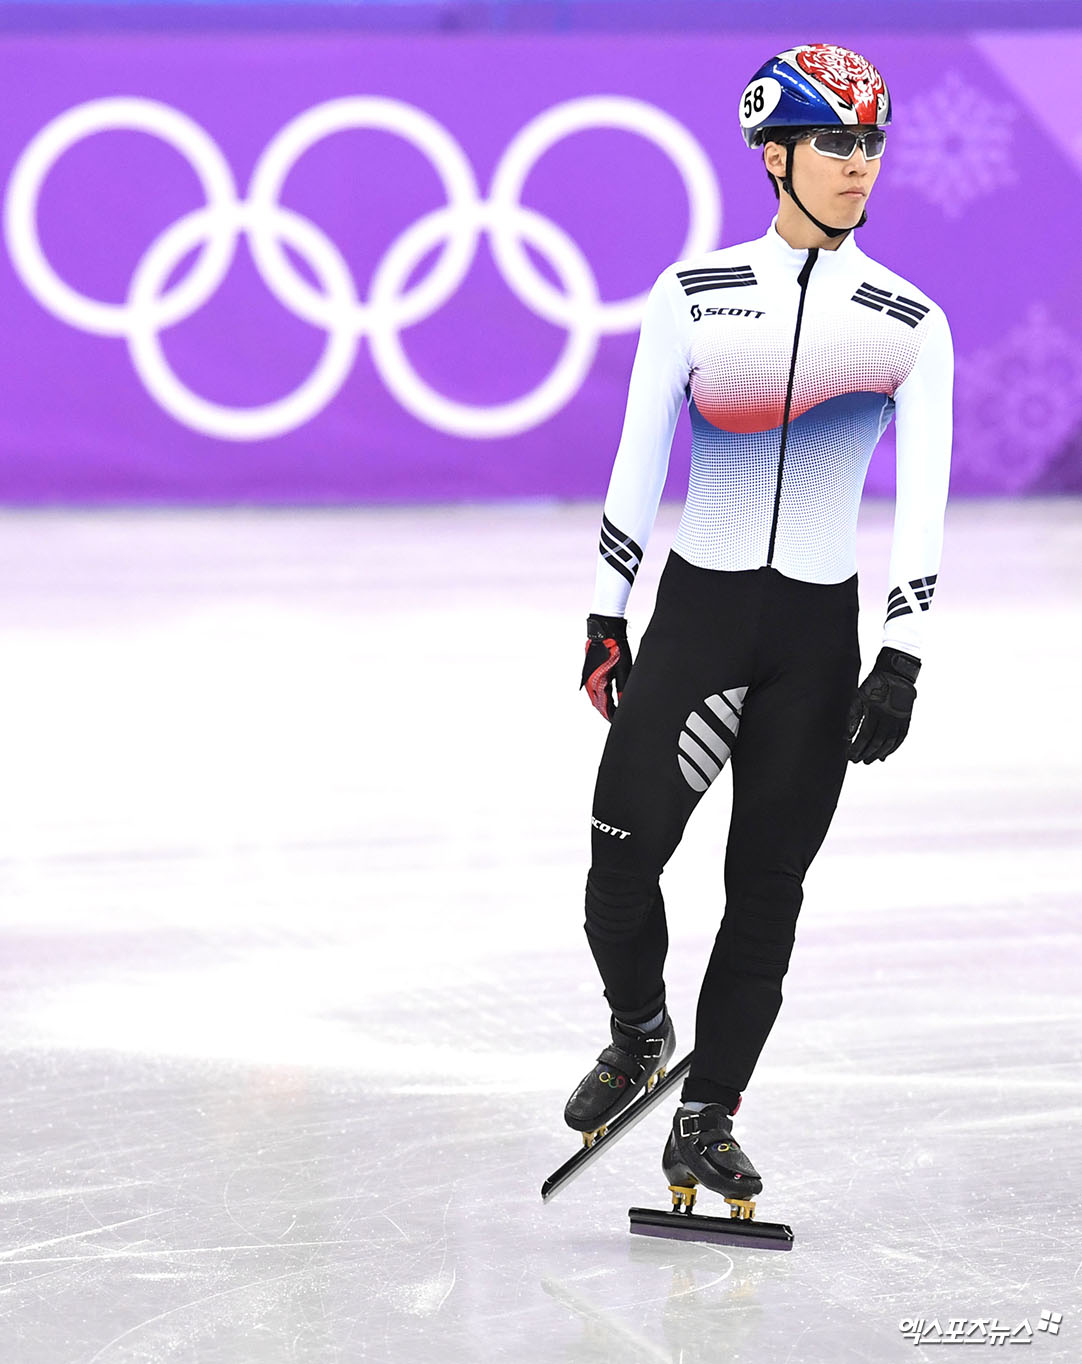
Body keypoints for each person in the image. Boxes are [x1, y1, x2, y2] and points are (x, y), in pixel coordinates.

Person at [563, 43, 953, 1206]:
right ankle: (638, 1031)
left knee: (766, 891)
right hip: (699, 617)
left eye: (869, 142)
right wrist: (604, 615)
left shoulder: (909, 322)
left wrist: (901, 655)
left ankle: (706, 1115)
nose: (857, 163)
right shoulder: (690, 294)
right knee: (617, 864)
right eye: (833, 141)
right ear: (773, 155)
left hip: (813, 643)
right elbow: (636, 462)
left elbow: (922, 500)